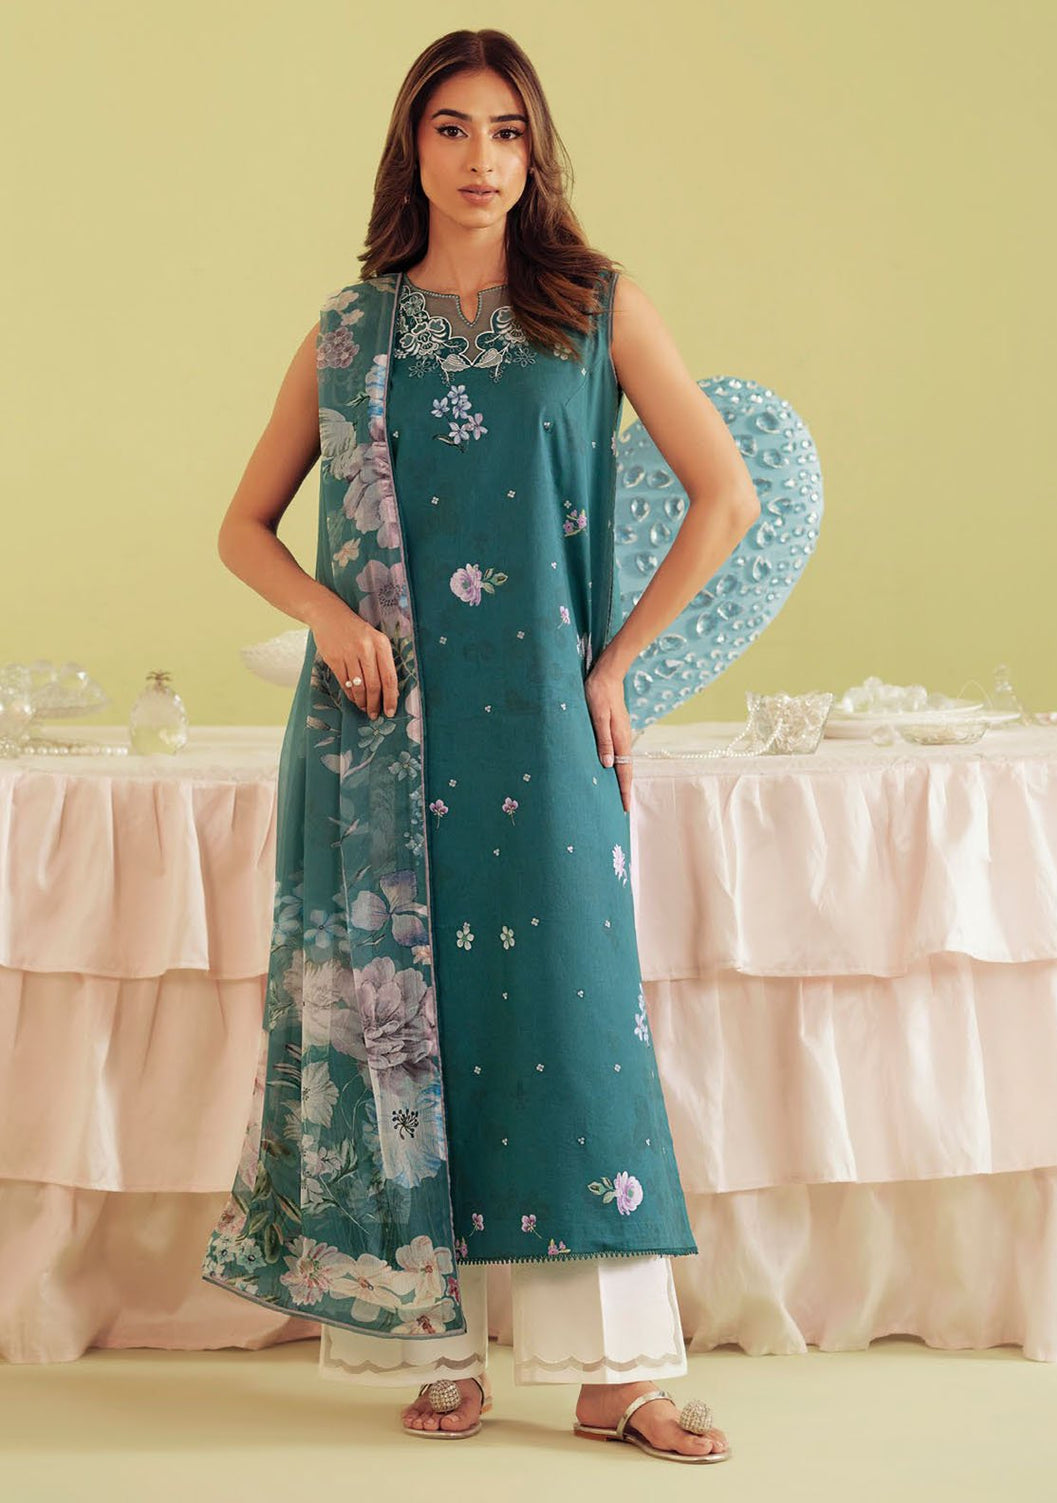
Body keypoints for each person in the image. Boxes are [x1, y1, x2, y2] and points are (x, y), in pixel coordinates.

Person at [204, 27, 758, 1464]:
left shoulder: (594, 307)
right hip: (377, 742)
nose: (480, 159)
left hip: (546, 733)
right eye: (451, 129)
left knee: (573, 1028)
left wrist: (617, 663)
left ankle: (613, 1372)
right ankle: (428, 1346)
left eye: (506, 131)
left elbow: (725, 495)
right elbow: (244, 528)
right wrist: (330, 614)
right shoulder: (351, 332)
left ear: (535, 150)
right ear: (414, 146)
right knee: (401, 1028)